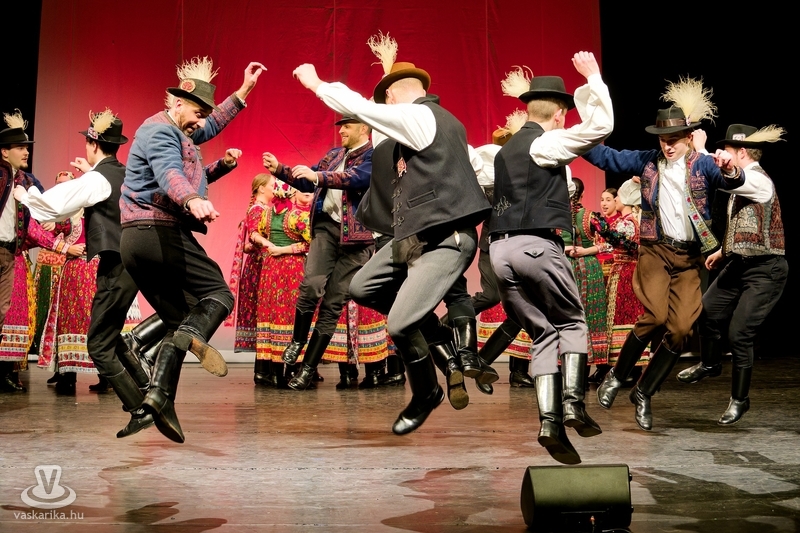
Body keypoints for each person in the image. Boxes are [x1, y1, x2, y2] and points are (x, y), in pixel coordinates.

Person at [292, 46, 495, 432]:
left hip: (443, 237)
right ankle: (441, 340)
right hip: (414, 237)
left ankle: (426, 392)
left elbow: (365, 109)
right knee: (362, 287)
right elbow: (475, 167)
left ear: (391, 96)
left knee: (400, 324)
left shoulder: (420, 115)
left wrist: (318, 84)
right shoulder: (437, 127)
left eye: (384, 101)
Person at [584, 78, 771, 431]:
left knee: (682, 329)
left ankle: (643, 393)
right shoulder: (648, 162)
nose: (668, 146)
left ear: (688, 137)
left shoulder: (703, 165)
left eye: (674, 139)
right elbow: (607, 156)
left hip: (689, 259)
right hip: (655, 251)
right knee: (655, 316)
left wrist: (730, 169)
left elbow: (731, 180)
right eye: (663, 140)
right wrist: (574, 139)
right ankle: (617, 377)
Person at [119, 57, 265, 443]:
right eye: (197, 113)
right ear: (178, 102)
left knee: (182, 320)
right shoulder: (159, 130)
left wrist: (244, 90)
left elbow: (209, 128)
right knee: (218, 294)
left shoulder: (181, 130)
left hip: (139, 239)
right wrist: (191, 200)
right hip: (157, 231)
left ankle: (156, 394)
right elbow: (169, 172)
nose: (201, 123)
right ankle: (150, 350)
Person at [487, 51, 612, 465]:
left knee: (542, 334)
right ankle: (574, 403)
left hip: (500, 251)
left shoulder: (502, 152)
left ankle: (549, 423)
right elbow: (600, 127)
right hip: (536, 245)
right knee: (572, 322)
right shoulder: (547, 142)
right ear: (559, 115)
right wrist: (593, 78)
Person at [16, 109, 167, 436]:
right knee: (112, 338)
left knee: (99, 345)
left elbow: (53, 207)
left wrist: (24, 195)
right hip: (131, 263)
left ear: (93, 145)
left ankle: (143, 405)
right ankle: (150, 394)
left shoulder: (98, 179)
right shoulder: (125, 173)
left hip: (115, 266)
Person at [676, 124, 787, 425]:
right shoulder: (740, 184)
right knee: (706, 312)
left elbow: (736, 180)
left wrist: (702, 152)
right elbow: (740, 221)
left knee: (739, 333)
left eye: (727, 151)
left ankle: (740, 399)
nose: (722, 156)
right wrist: (723, 252)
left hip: (766, 269)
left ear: (741, 152)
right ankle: (710, 364)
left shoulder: (759, 180)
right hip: (739, 263)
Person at [262, 116, 375, 391]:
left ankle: (308, 368)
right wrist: (280, 170)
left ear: (363, 128)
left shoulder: (374, 156)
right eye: (341, 126)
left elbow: (357, 179)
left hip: (357, 240)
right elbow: (308, 181)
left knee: (333, 304)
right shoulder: (333, 155)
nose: (342, 130)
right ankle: (297, 341)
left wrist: (318, 177)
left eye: (347, 126)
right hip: (326, 229)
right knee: (311, 285)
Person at [0, 110, 69, 392]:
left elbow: (38, 219)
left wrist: (51, 222)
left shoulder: (27, 182)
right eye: (20, 147)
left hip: (11, 254)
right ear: (4, 151)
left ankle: (6, 370)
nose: (26, 151)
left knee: (7, 313)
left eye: (27, 147)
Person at [250, 180, 312, 387]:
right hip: (291, 269)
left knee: (272, 314)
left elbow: (254, 234)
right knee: (291, 315)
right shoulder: (297, 216)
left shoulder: (266, 215)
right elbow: (311, 243)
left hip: (270, 269)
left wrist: (269, 245)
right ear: (292, 195)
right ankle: (291, 370)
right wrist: (285, 249)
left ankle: (275, 373)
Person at [591, 179, 649, 383]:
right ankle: (622, 367)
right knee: (623, 315)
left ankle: (629, 369)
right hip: (624, 270)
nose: (615, 200)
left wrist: (599, 229)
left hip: (626, 272)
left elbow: (615, 242)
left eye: (617, 197)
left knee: (624, 316)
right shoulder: (630, 220)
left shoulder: (627, 222)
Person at [227, 174, 274, 377]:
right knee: (263, 314)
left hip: (263, 264)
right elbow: (254, 237)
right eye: (272, 185)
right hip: (259, 267)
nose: (275, 188)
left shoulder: (263, 209)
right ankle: (262, 370)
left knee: (265, 315)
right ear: (262, 188)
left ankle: (265, 369)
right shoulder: (257, 210)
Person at [563, 176, 609, 369]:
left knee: (566, 315)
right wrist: (586, 250)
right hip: (589, 268)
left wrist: (566, 248)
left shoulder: (556, 217)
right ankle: (587, 365)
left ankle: (565, 365)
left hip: (564, 267)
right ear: (582, 194)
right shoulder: (591, 217)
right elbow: (609, 242)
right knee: (590, 315)